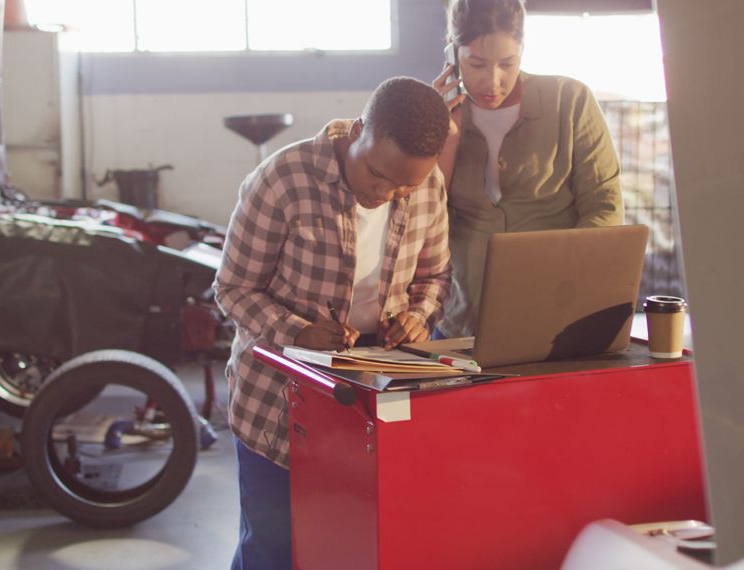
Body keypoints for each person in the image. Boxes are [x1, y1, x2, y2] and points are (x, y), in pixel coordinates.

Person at [213, 76, 452, 569]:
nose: (387, 193)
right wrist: (297, 333)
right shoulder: (282, 179)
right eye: (377, 175)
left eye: (405, 183)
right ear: (359, 130)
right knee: (272, 549)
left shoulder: (428, 185)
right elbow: (232, 289)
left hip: (370, 399)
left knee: (354, 545)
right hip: (277, 400)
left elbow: (434, 277)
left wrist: (417, 316)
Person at [433, 0, 624, 338]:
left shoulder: (570, 101)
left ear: (523, 50)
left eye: (508, 63)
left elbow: (604, 209)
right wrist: (440, 135)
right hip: (462, 325)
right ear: (452, 52)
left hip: (558, 317)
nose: (493, 81)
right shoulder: (435, 116)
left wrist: (566, 280)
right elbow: (422, 223)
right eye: (476, 63)